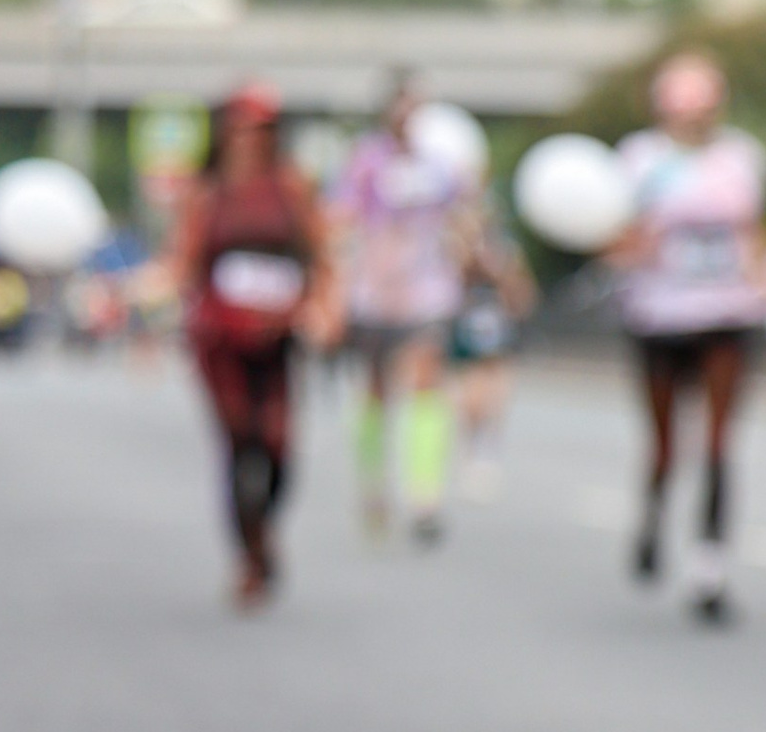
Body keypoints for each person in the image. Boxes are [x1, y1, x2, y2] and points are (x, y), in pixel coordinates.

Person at [615, 51, 766, 622]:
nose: (695, 123)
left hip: (726, 313)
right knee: (663, 444)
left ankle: (710, 570)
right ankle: (653, 516)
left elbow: (752, 233)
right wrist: (634, 250)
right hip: (658, 315)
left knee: (717, 443)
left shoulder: (741, 157)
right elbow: (614, 236)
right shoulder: (639, 160)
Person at [174, 84, 334, 604]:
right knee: (239, 439)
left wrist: (319, 308)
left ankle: (266, 528)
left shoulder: (291, 187)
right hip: (222, 338)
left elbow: (320, 255)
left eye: (259, 129)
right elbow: (183, 263)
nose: (247, 139)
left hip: (278, 334)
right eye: (239, 127)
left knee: (278, 445)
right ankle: (251, 554)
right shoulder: (205, 193)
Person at [328, 77, 473, 542]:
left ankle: (424, 495)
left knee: (427, 381)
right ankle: (373, 487)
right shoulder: (365, 162)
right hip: (375, 290)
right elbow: (339, 220)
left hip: (428, 289)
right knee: (376, 390)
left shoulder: (442, 163)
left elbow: (466, 216)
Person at [449, 199, 535, 500]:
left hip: (499, 332)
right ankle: (470, 446)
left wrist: (503, 277)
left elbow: (523, 295)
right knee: (470, 398)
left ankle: (488, 452)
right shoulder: (457, 252)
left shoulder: (507, 253)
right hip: (466, 334)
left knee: (497, 393)